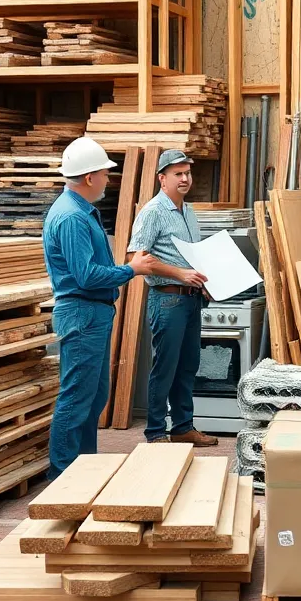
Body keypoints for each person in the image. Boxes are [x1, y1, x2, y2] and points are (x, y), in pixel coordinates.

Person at [43, 137, 157, 480]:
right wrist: (132, 269)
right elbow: (87, 274)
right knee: (77, 398)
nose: (109, 179)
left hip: (91, 313)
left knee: (93, 398)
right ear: (90, 177)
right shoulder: (71, 218)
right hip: (82, 314)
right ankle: (62, 478)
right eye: (106, 174)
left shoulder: (80, 212)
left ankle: (84, 469)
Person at [127, 149, 218, 447]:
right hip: (167, 300)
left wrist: (203, 282)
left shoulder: (188, 211)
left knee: (188, 366)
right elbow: (137, 257)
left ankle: (182, 427)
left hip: (191, 300)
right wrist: (180, 274)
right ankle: (155, 432)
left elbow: (193, 257)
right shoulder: (153, 212)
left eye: (187, 173)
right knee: (165, 367)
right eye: (177, 174)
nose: (184, 178)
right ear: (162, 179)